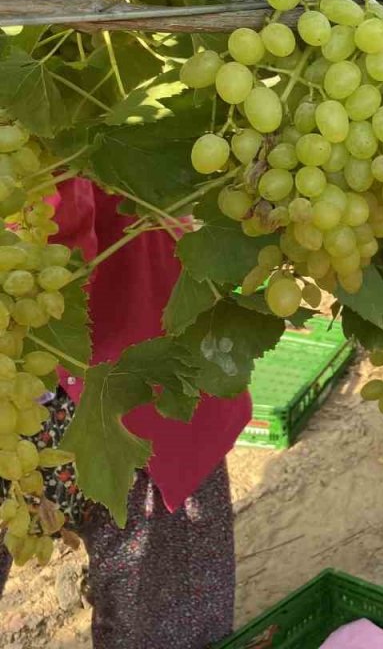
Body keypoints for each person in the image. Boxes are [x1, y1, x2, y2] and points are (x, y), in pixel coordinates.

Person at [0, 178, 250, 648]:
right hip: (122, 371)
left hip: (119, 367)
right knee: (168, 618)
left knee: (165, 612)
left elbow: (56, 241)